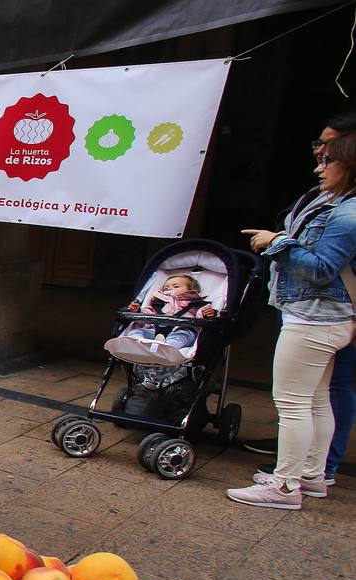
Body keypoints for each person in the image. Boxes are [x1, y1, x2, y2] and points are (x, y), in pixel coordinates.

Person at [231, 134, 356, 509]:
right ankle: (311, 476)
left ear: (348, 165)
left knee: (293, 403)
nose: (319, 167)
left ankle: (285, 487)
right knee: (316, 400)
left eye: (328, 161)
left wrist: (276, 242)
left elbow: (321, 269)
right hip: (325, 318)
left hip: (314, 319)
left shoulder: (346, 214)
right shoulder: (335, 203)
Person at [122, 274, 217, 350]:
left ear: (192, 290)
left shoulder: (195, 304)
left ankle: (167, 348)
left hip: (182, 329)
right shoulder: (159, 303)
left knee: (180, 337)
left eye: (176, 286)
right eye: (166, 288)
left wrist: (207, 313)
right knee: (136, 332)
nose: (169, 288)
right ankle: (140, 345)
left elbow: (200, 313)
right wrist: (138, 311)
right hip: (155, 330)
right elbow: (149, 313)